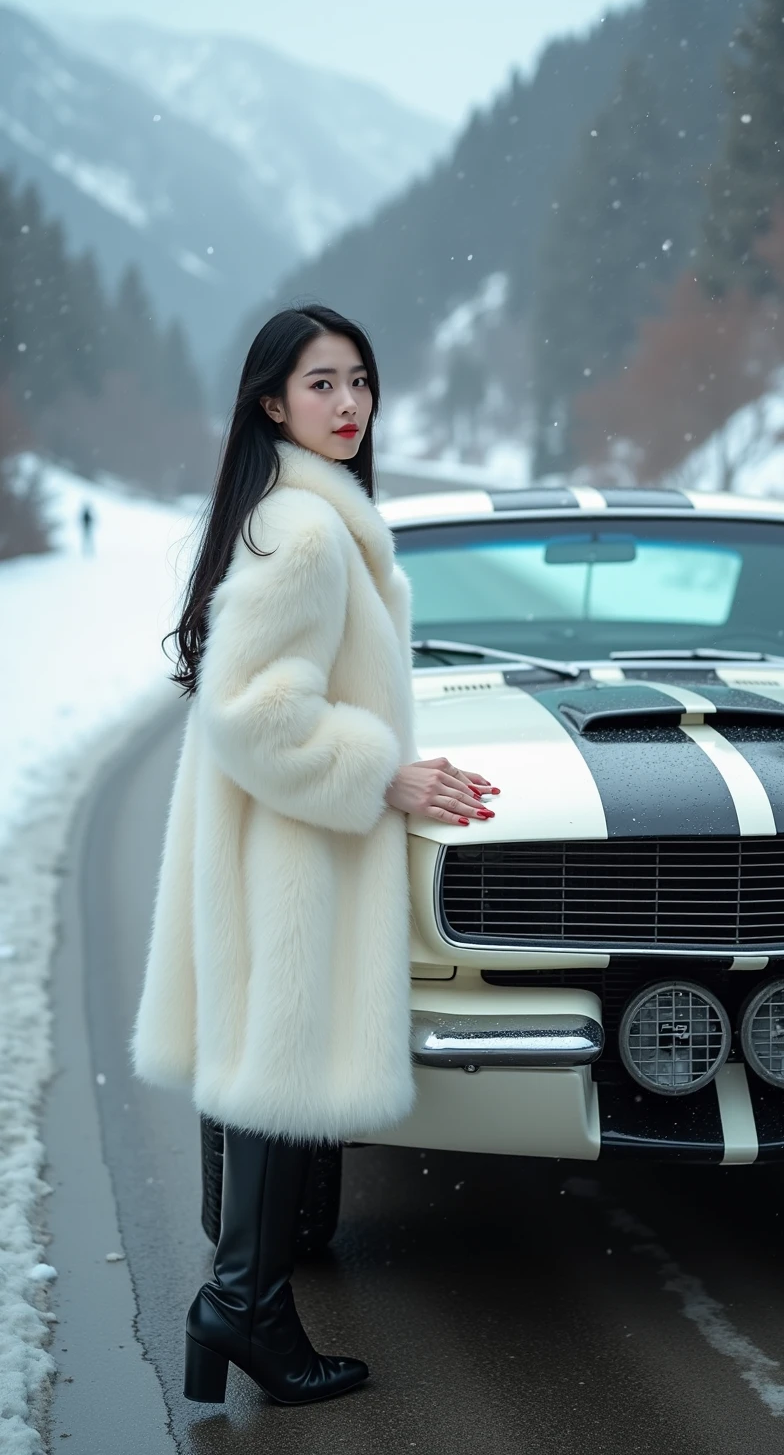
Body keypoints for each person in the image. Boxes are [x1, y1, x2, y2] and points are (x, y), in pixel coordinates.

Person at [129, 303, 499, 1410]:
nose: (348, 406)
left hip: (284, 844)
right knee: (275, 1078)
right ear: (271, 403)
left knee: (267, 1083)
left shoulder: (303, 517)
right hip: (293, 849)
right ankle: (243, 1304)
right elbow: (252, 712)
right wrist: (380, 775)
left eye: (360, 382)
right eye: (322, 385)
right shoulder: (304, 531)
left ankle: (240, 1304)